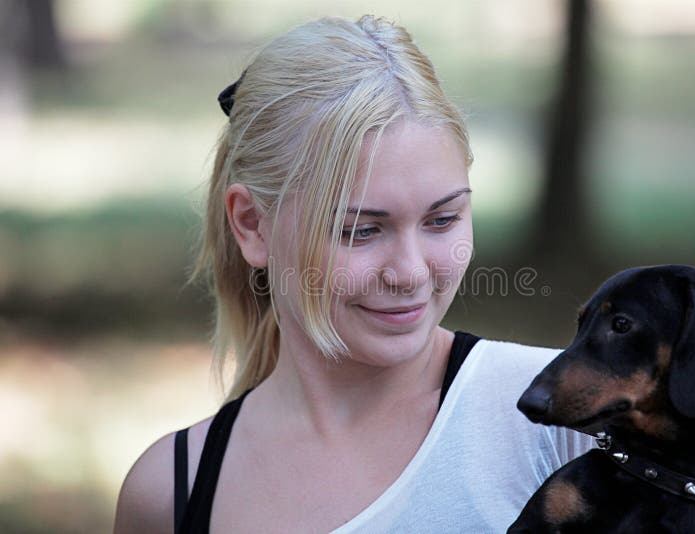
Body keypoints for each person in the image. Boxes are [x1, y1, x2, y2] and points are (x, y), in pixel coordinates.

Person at [113, 15, 593, 534]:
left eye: (442, 219)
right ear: (252, 225)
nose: (410, 273)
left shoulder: (568, 421)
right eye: (360, 231)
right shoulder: (173, 493)